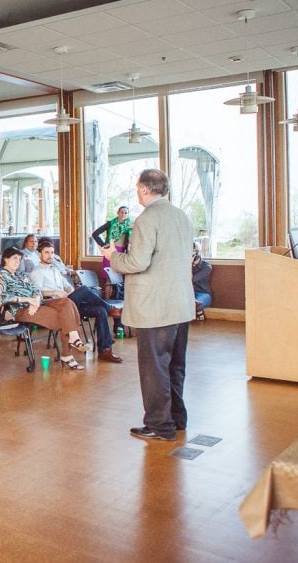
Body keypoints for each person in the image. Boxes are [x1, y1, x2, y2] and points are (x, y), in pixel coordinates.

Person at [101, 168, 194, 441]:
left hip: (155, 307)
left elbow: (137, 263)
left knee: (154, 367)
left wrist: (113, 256)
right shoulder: (181, 216)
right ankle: (177, 418)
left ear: (143, 189)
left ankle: (159, 425)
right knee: (175, 364)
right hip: (180, 303)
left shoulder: (146, 219)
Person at [0, 247, 89, 370]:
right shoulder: (0, 277)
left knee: (66, 302)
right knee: (63, 318)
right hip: (20, 310)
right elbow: (3, 297)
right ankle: (68, 352)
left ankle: (73, 337)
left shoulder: (22, 274)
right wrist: (29, 300)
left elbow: (36, 290)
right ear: (5, 259)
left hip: (38, 304)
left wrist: (36, 301)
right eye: (14, 258)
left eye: (19, 259)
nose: (17, 261)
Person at [31, 239, 122, 363]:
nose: (50, 256)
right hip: (55, 306)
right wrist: (55, 292)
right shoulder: (36, 272)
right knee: (84, 289)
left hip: (69, 303)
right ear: (39, 254)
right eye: (46, 252)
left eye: (52, 252)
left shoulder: (55, 269)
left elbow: (67, 285)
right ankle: (110, 308)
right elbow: (37, 293)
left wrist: (70, 290)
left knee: (100, 310)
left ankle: (105, 350)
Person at [192, 244, 212, 320]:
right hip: (189, 293)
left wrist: (191, 266)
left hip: (203, 293)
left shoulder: (206, 266)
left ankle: (198, 310)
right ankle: (197, 312)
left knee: (198, 303)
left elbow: (191, 279)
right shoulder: (184, 265)